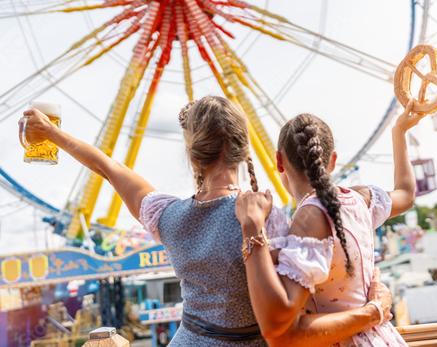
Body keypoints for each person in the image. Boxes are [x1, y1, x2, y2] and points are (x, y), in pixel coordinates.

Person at [20, 96, 393, 346]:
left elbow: (108, 167)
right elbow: (291, 309)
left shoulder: (169, 217)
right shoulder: (268, 218)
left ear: (193, 154)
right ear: (244, 148)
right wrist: (371, 308)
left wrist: (51, 132)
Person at [235, 100, 421, 346]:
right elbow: (406, 194)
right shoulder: (359, 199)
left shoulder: (309, 220)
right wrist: (399, 132)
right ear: (332, 161)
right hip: (381, 338)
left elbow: (286, 330)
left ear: (279, 162)